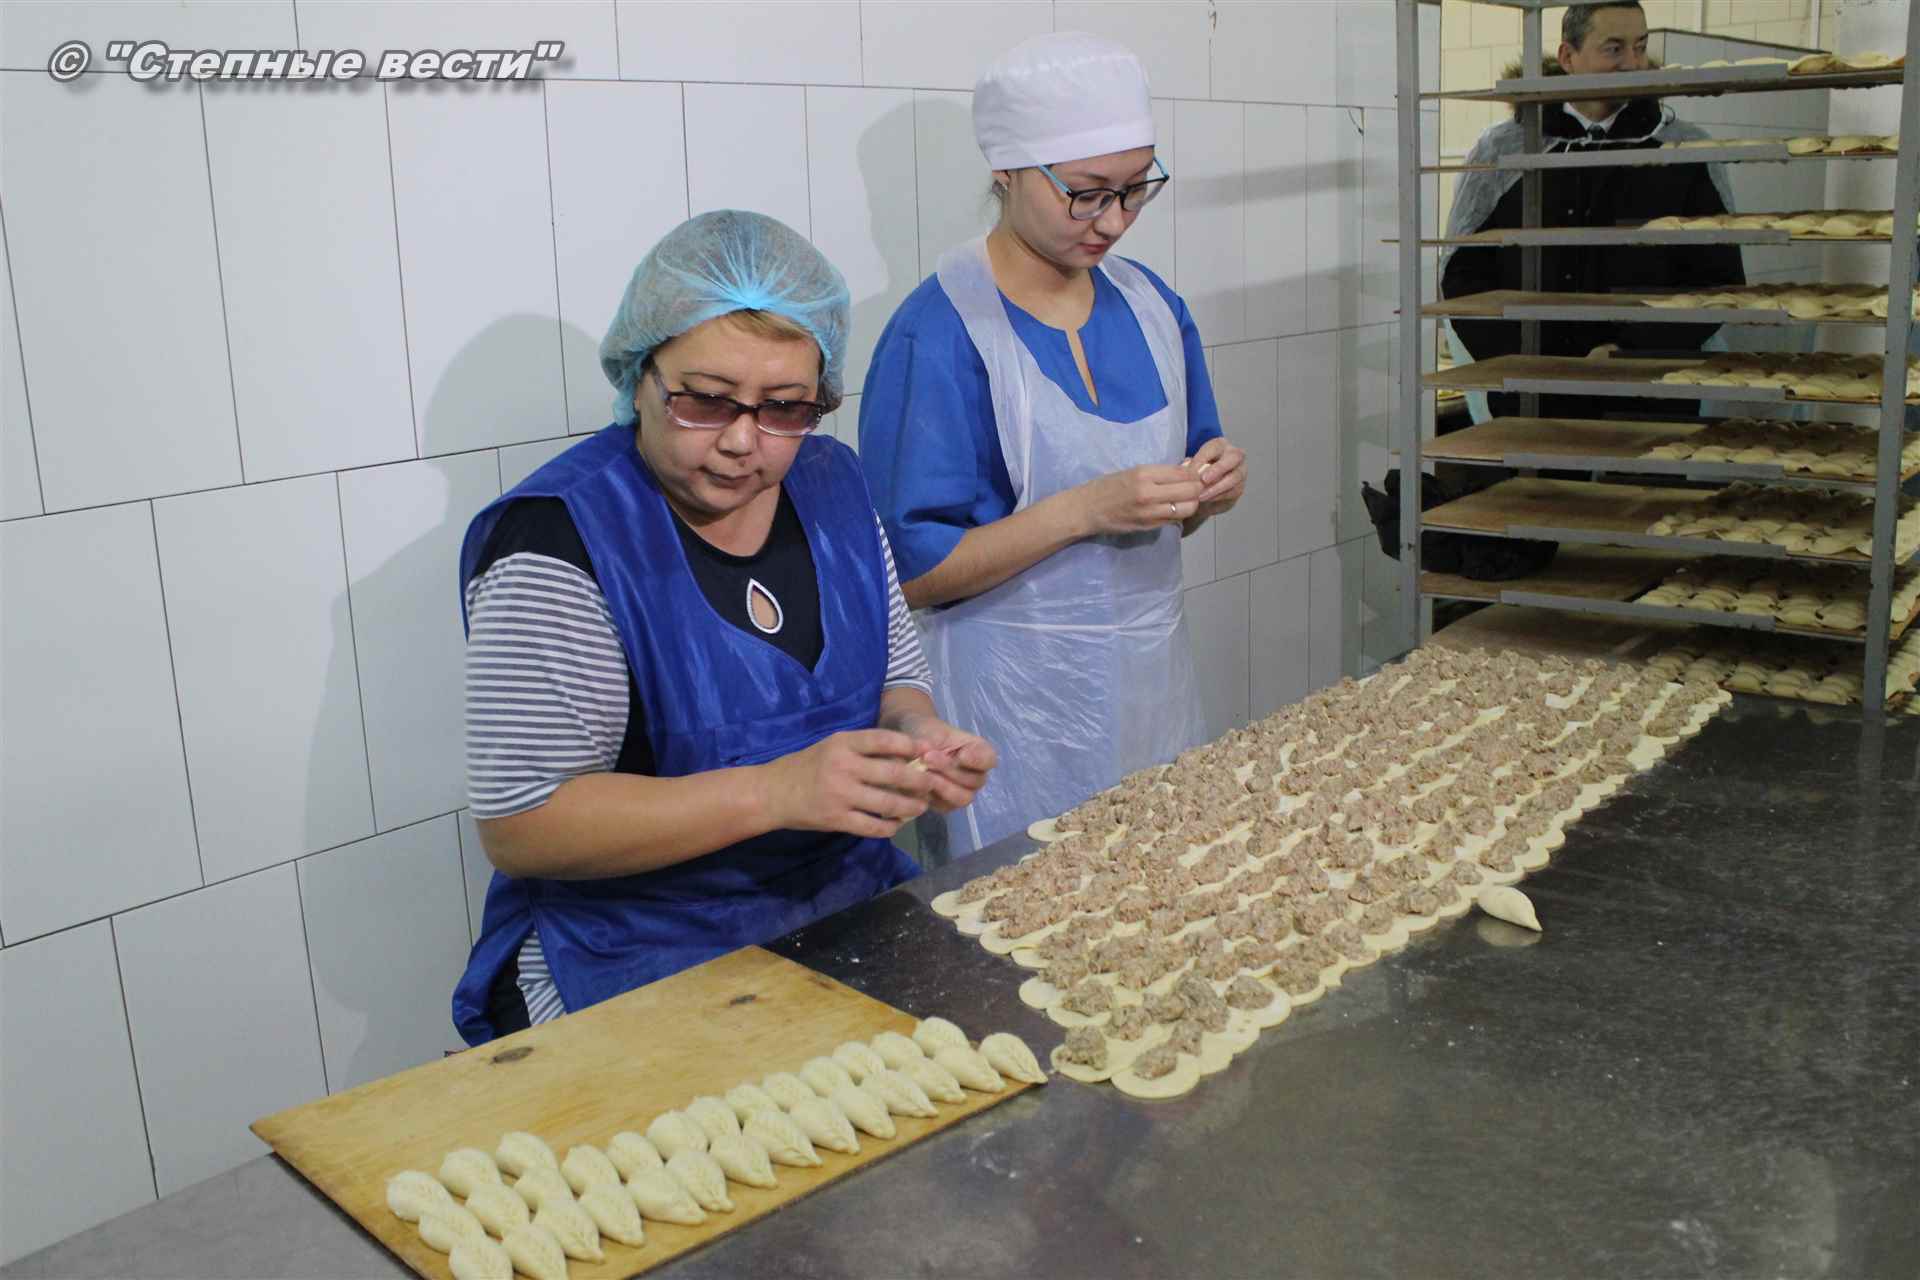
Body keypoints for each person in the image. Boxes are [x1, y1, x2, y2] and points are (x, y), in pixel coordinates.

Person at [452, 211, 996, 1044]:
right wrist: (776, 792)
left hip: (844, 915)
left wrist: (915, 737)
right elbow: (525, 823)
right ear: (640, 375)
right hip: (636, 957)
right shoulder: (561, 541)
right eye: (705, 400)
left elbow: (893, 672)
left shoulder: (833, 482)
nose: (745, 441)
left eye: (786, 408)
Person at [859, 32, 1246, 858]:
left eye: (1136, 189)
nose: (1114, 220)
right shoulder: (941, 334)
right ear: (1006, 170)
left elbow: (1181, 498)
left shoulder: (1153, 309)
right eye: (1086, 193)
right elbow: (913, 577)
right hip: (1010, 719)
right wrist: (1084, 510)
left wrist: (1208, 489)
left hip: (1154, 692)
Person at [1440, 0, 1746, 421]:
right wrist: (1524, 358)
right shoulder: (1506, 149)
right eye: (1614, 49)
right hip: (1533, 401)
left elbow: (1718, 282)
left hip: (1650, 397)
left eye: (1640, 47)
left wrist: (1632, 351)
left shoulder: (1683, 151)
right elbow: (1463, 274)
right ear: (1568, 57)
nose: (1633, 63)